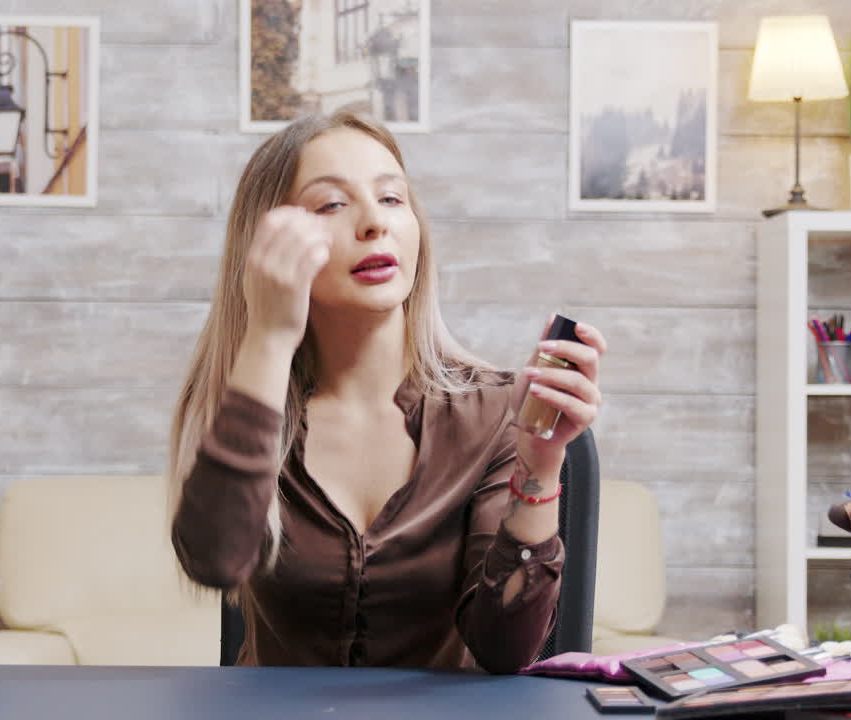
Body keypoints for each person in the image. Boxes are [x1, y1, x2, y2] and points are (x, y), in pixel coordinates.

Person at [168, 110, 606, 674]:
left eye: (392, 199)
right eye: (331, 204)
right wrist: (269, 337)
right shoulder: (248, 401)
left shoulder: (495, 411)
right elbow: (214, 560)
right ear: (268, 250)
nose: (374, 223)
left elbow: (505, 649)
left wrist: (541, 465)